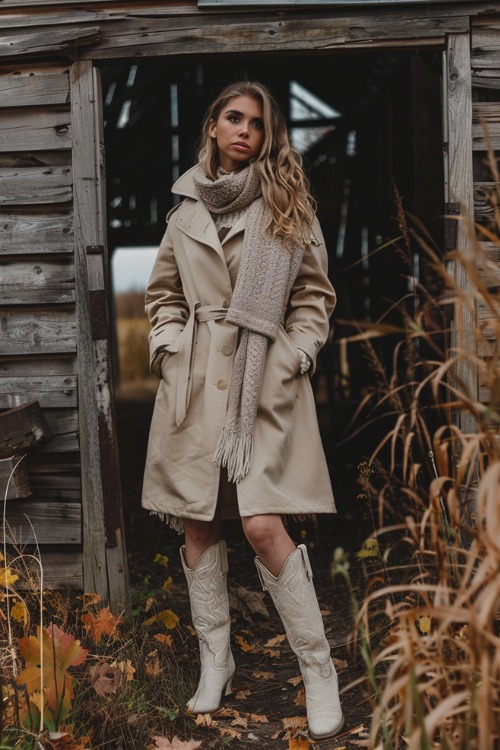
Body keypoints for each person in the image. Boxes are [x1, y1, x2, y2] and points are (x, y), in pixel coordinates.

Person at [141, 80, 344, 740]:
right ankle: (216, 663)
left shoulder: (288, 204)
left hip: (265, 389)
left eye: (256, 123)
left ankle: (318, 672)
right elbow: (163, 296)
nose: (243, 131)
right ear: (212, 126)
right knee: (198, 525)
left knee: (261, 525)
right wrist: (172, 350)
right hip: (197, 391)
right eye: (233, 118)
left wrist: (295, 356)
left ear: (265, 136)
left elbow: (315, 299)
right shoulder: (183, 211)